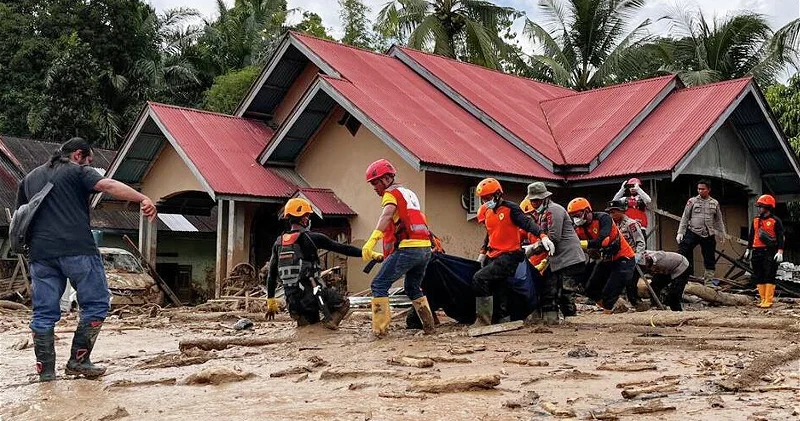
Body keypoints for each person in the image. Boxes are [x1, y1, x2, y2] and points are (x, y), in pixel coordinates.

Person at [17, 137, 157, 382]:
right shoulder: (77, 171)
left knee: (43, 313)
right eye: (89, 160)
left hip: (41, 254)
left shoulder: (29, 179)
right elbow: (109, 186)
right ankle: (78, 361)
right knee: (97, 303)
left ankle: (46, 373)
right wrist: (142, 198)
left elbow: (22, 215)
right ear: (78, 155)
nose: (89, 165)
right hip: (77, 248)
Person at [262, 198, 380, 329]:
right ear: (303, 218)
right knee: (343, 303)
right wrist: (369, 253)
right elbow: (344, 248)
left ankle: (319, 333)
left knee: (306, 331)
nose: (308, 218)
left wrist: (271, 300)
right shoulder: (312, 238)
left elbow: (271, 275)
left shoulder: (279, 242)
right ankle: (328, 327)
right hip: (313, 295)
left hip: (292, 301)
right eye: (307, 215)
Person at [361, 159, 436, 337]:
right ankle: (429, 327)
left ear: (387, 178)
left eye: (375, 182)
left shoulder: (390, 194)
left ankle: (380, 332)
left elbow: (387, 215)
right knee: (413, 288)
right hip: (424, 249)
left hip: (409, 249)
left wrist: (372, 238)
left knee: (378, 284)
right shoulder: (409, 193)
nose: (374, 187)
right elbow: (409, 222)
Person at [473, 178, 554, 326]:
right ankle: (501, 318)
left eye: (488, 198)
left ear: (498, 194)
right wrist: (483, 253)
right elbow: (489, 234)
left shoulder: (511, 208)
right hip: (494, 255)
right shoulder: (488, 212)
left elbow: (527, 223)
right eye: (483, 199)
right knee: (499, 286)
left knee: (479, 278)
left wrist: (542, 236)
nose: (486, 201)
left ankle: (483, 320)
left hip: (509, 255)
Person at [520, 182, 585, 322]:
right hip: (556, 259)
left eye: (537, 200)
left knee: (565, 292)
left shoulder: (554, 211)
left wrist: (532, 249)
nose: (534, 203)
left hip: (569, 258)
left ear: (545, 198)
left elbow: (553, 238)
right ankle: (552, 319)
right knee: (550, 289)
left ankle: (571, 321)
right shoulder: (542, 214)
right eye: (532, 201)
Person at [567, 198, 636, 313]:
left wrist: (581, 244)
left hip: (623, 258)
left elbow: (603, 239)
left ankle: (609, 310)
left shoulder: (603, 218)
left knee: (610, 291)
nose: (576, 219)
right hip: (606, 259)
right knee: (590, 289)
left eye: (578, 215)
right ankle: (614, 308)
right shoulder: (578, 229)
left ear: (587, 211)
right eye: (573, 216)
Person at [677, 179, 726, 285]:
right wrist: (680, 232)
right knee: (683, 251)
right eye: (699, 189)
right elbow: (685, 217)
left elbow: (718, 219)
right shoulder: (692, 201)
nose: (700, 191)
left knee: (710, 258)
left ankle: (708, 282)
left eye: (703, 189)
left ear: (708, 190)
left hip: (708, 234)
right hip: (693, 231)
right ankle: (681, 278)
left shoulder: (714, 203)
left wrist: (722, 233)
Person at [606, 198, 648, 311]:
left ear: (621, 211)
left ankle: (640, 307)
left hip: (634, 259)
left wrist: (637, 257)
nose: (611, 214)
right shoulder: (614, 226)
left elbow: (640, 242)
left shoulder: (631, 224)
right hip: (621, 259)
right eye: (610, 212)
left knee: (630, 284)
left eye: (614, 212)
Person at [743, 194, 784, 309]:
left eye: (761, 206)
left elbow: (780, 237)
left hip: (770, 251)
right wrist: (748, 249)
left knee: (769, 274)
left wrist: (780, 251)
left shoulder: (775, 221)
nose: (759, 209)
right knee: (758, 274)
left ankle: (768, 299)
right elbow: (751, 235)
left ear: (768, 207)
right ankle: (762, 299)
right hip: (756, 250)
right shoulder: (756, 220)